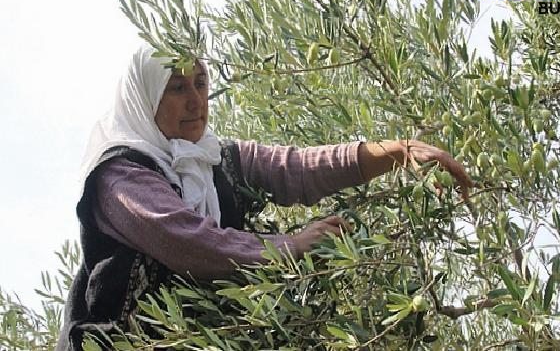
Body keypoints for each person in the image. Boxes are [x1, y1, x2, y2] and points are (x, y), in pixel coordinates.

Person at [55, 45, 472, 350]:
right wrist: (288, 247)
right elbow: (187, 242)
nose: (196, 100)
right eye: (176, 87)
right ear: (144, 97)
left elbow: (298, 169)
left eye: (200, 83)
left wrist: (398, 152)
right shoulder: (119, 174)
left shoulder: (218, 158)